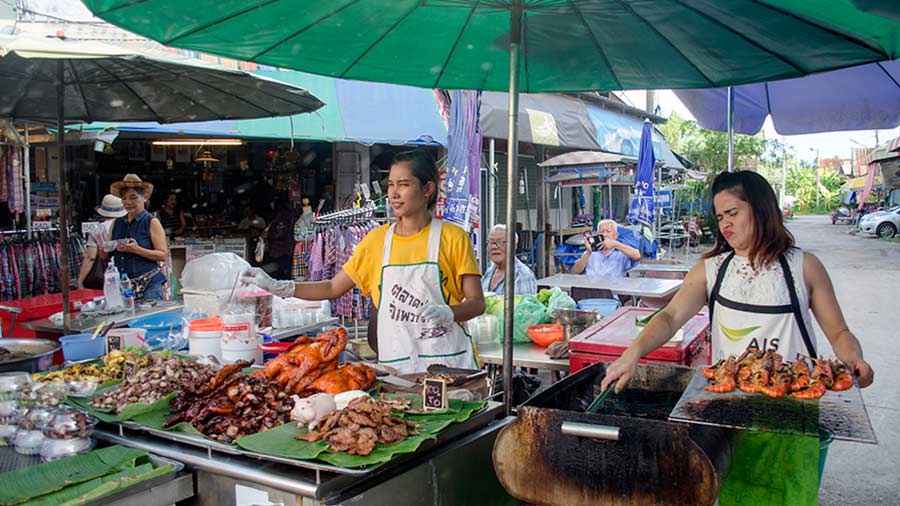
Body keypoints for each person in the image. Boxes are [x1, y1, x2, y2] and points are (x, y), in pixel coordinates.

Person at [600, 170, 873, 505]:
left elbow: (839, 332)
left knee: (791, 496)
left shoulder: (805, 267)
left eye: (733, 213)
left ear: (761, 209)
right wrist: (633, 352)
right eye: (719, 217)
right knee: (736, 494)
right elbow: (670, 317)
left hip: (792, 416)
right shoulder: (712, 268)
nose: (724, 224)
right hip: (731, 415)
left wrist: (854, 361)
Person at [242, 150, 484, 374]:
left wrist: (448, 312)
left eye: (404, 184)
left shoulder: (453, 238)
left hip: (449, 368)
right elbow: (332, 287)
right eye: (390, 185)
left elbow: (477, 303)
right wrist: (281, 287)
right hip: (398, 370)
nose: (394, 194)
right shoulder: (376, 241)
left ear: (427, 189)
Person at [99, 174, 169, 301]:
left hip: (149, 283)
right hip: (123, 285)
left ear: (145, 198)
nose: (128, 202)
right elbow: (105, 256)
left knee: (149, 319)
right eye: (124, 198)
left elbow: (162, 255)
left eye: (133, 198)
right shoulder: (116, 223)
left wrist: (136, 249)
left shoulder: (151, 222)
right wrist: (101, 244)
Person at [77, 194, 127, 289]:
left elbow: (90, 257)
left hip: (106, 275)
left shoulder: (98, 229)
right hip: (126, 273)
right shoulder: (127, 226)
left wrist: (80, 281)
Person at [572, 219, 640, 278]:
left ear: (616, 235)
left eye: (608, 231)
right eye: (602, 232)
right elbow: (577, 270)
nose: (605, 235)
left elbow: (637, 256)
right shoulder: (591, 252)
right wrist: (588, 252)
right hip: (591, 289)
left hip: (611, 290)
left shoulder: (621, 252)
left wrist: (615, 244)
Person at [481, 224, 538, 295]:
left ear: (514, 246)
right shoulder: (489, 272)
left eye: (501, 242)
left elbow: (522, 305)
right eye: (491, 242)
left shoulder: (522, 275)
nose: (494, 247)